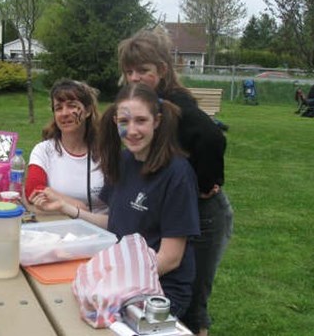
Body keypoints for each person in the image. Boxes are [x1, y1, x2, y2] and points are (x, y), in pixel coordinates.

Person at [30, 83, 200, 318]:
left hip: (158, 291)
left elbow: (170, 258)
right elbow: (114, 221)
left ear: (157, 121)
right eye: (124, 122)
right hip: (121, 274)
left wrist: (115, 284)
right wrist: (66, 208)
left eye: (141, 120)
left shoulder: (177, 174)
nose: (131, 130)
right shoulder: (123, 160)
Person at [117, 29, 233, 335]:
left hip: (206, 211)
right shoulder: (151, 100)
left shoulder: (175, 102)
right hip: (180, 204)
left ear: (162, 71)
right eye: (129, 72)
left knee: (194, 301)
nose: (135, 78)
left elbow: (212, 138)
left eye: (143, 71)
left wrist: (207, 184)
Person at [24, 79, 108, 215]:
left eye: (72, 106)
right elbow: (33, 190)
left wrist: (51, 195)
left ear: (87, 111)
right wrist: (75, 204)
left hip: (102, 229)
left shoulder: (106, 151)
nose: (64, 113)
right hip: (59, 226)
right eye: (58, 108)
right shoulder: (43, 150)